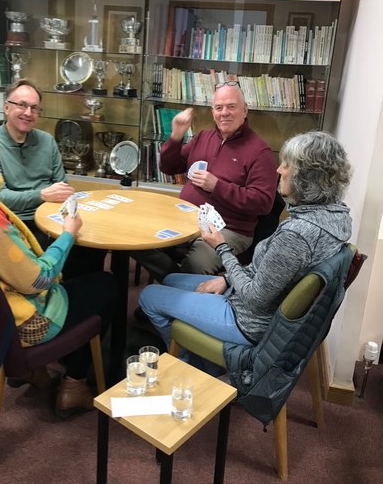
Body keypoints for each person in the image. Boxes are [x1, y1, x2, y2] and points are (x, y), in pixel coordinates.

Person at [0, 110, 118, 420]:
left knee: (80, 266)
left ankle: (35, 372)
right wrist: (68, 233)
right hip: (20, 324)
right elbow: (37, 279)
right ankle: (74, 384)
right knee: (107, 284)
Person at [138, 130, 353, 354]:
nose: (279, 170)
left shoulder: (297, 235)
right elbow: (269, 273)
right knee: (171, 279)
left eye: (287, 165)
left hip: (246, 320)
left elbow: (254, 299)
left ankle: (187, 361)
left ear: (307, 177)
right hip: (252, 300)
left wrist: (221, 248)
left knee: (149, 295)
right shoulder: (335, 217)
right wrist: (227, 278)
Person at [132, 81, 278, 282]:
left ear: (245, 110)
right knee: (137, 239)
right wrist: (176, 136)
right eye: (219, 108)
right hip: (185, 218)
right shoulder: (203, 137)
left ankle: (172, 288)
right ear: (213, 112)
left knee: (197, 264)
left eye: (231, 106)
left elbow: (263, 202)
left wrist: (217, 186)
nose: (224, 113)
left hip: (230, 228)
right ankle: (173, 284)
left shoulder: (260, 152)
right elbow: (169, 167)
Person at [0, 78, 106, 278]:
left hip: (51, 216)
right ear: (6, 107)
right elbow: (0, 197)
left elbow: (62, 185)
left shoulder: (47, 141)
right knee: (69, 252)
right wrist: (42, 195)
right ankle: (58, 290)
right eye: (22, 105)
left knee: (95, 243)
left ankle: (78, 290)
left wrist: (61, 200)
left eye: (34, 108)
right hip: (18, 223)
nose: (28, 113)